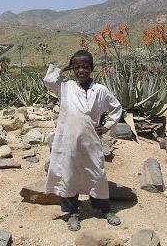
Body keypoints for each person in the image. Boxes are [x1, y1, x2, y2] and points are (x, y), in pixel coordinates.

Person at [43, 50, 122, 231]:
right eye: (77, 67)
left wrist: (107, 126)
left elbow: (116, 108)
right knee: (69, 174)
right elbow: (48, 80)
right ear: (72, 69)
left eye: (85, 67)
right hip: (68, 141)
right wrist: (65, 67)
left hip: (91, 140)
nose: (81, 70)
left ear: (91, 68)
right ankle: (73, 213)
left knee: (97, 173)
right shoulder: (65, 87)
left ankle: (104, 209)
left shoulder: (100, 90)